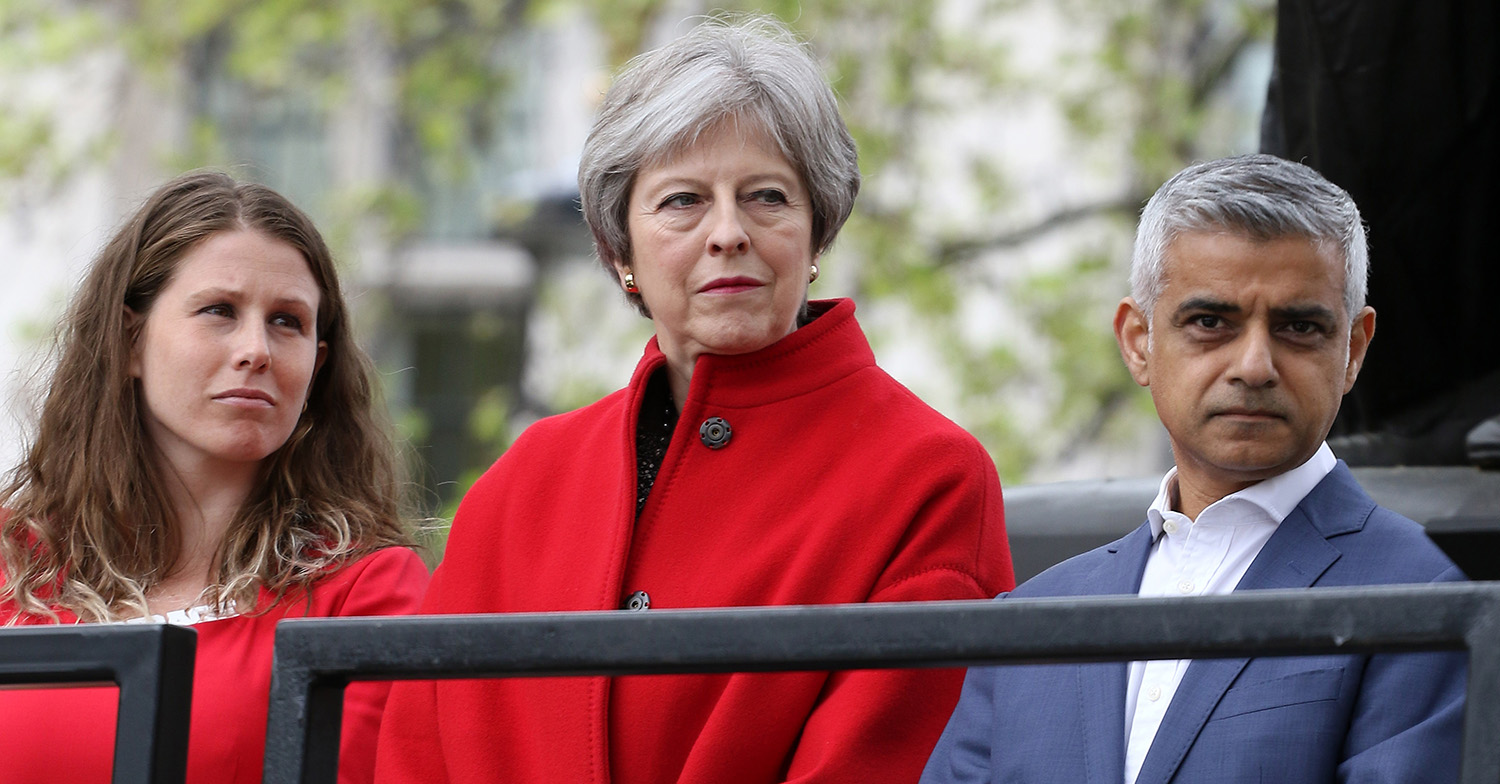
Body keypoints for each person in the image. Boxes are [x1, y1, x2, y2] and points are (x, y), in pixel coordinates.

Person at [374, 15, 1013, 784]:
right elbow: (413, 756)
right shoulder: (519, 486)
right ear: (620, 252)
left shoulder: (928, 479)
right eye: (682, 201)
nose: (728, 233)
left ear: (817, 237)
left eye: (766, 196)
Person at [921, 154, 1466, 784]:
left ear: (1353, 349)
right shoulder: (1029, 620)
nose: (1255, 365)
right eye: (1211, 322)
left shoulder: (1428, 597)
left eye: (1299, 327)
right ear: (1137, 340)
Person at [0, 171, 429, 784]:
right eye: (219, 311)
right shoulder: (12, 563)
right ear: (129, 341)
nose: (256, 348)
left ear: (317, 363)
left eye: (288, 322)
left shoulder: (363, 592)